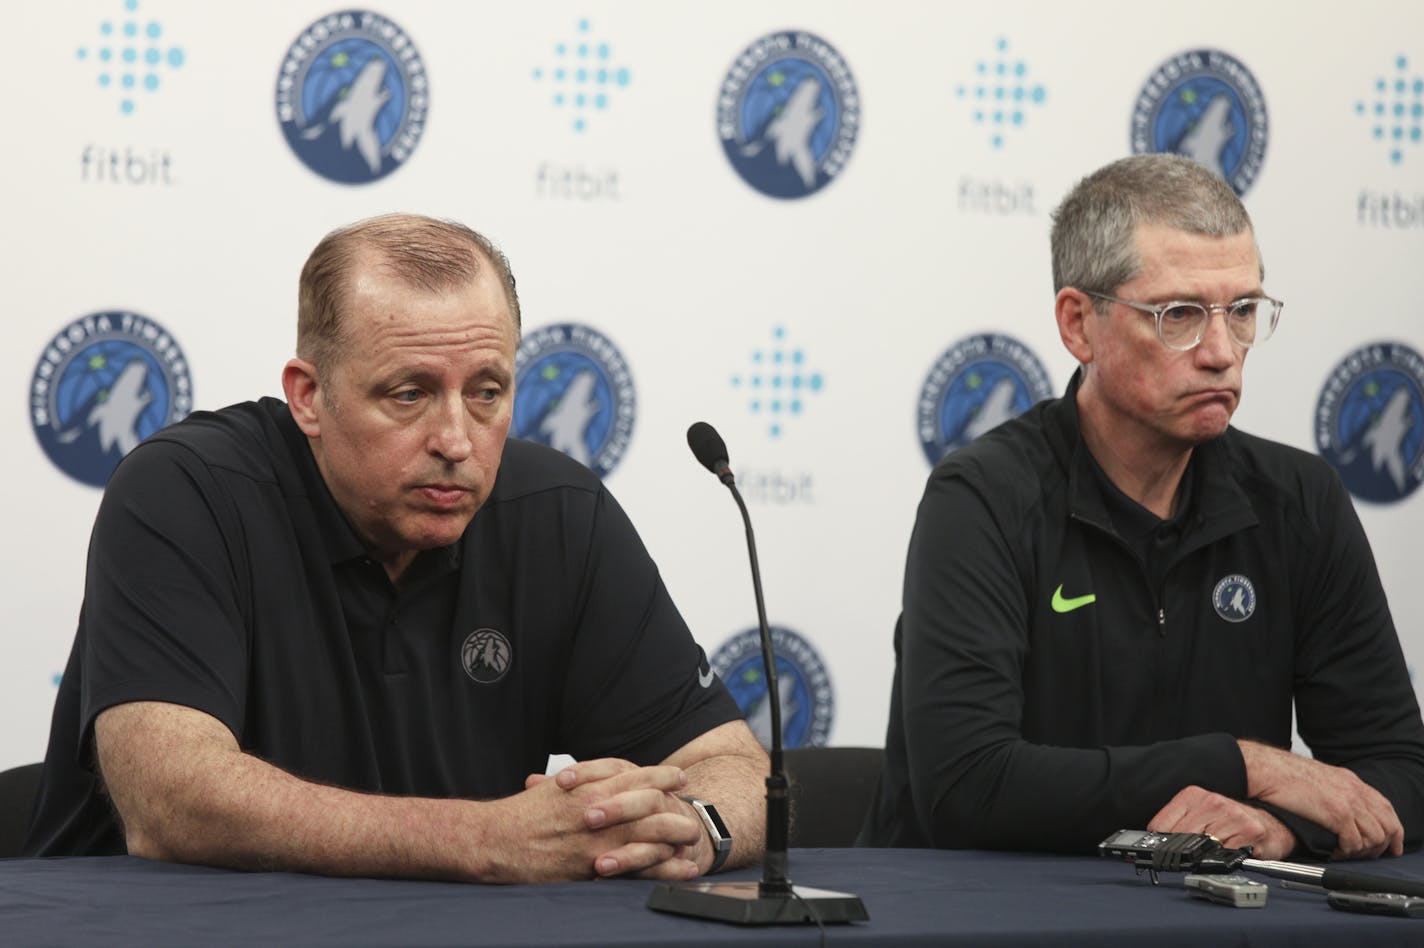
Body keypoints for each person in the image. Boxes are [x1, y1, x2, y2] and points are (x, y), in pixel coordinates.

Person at [25, 213, 768, 883]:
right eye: (408, 393)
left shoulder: (559, 512)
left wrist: (691, 830)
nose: (455, 441)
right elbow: (171, 799)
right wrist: (488, 839)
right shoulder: (186, 492)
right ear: (309, 397)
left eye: (486, 391)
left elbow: (731, 764)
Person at [861, 154, 1424, 861]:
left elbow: (1400, 770)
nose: (1222, 352)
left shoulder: (1298, 500)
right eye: (1179, 315)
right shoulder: (981, 497)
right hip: (988, 916)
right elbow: (969, 786)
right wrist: (1246, 766)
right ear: (1079, 325)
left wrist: (1285, 828)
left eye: (1243, 311)